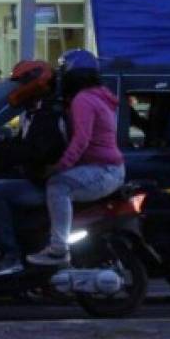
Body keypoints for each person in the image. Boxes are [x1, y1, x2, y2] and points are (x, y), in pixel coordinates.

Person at [0, 60, 68, 276]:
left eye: (21, 84)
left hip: (45, 182)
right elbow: (18, 144)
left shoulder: (50, 114)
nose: (17, 90)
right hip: (32, 177)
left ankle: (11, 256)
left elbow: (32, 151)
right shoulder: (33, 112)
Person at [28, 50, 125, 267]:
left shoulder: (83, 100)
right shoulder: (99, 96)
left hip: (103, 170)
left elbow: (81, 139)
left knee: (58, 186)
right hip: (108, 168)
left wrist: (60, 166)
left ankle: (58, 250)